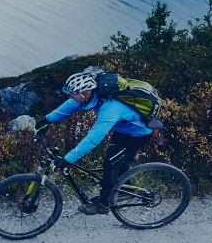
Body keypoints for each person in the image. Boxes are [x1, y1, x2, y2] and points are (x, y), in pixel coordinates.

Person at [40, 68, 155, 214]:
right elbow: (70, 106)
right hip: (124, 129)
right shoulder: (93, 95)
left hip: (138, 134)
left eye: (73, 94)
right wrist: (46, 120)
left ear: (86, 93)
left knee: (110, 163)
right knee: (117, 160)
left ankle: (103, 204)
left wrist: (67, 159)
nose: (70, 97)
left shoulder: (110, 108)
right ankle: (125, 189)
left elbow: (92, 139)